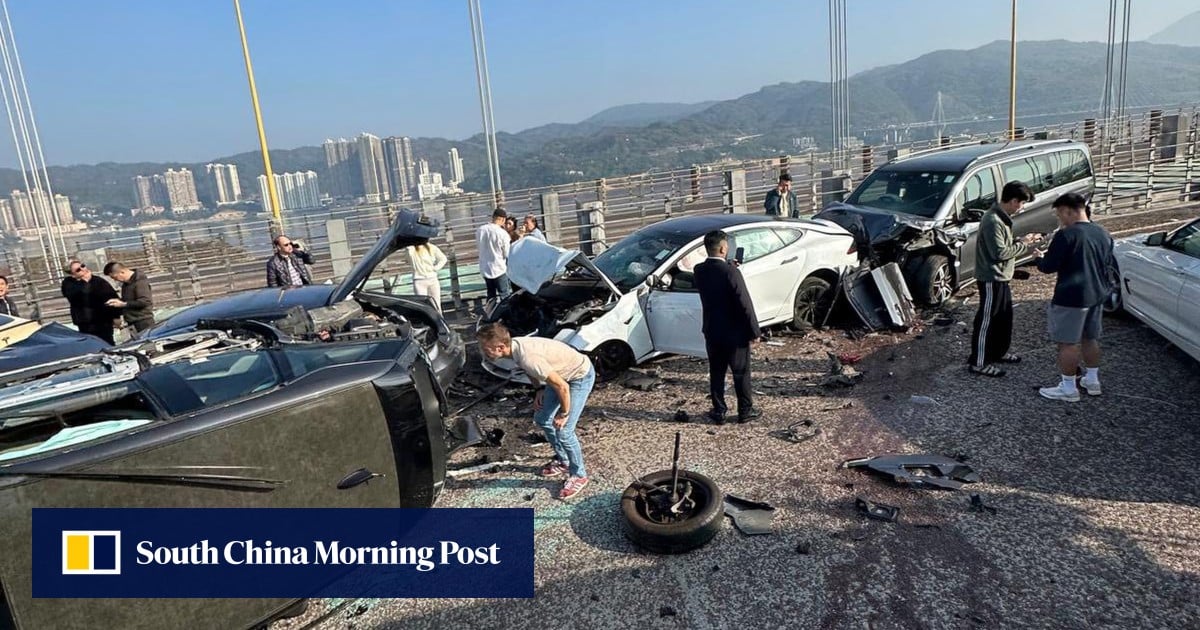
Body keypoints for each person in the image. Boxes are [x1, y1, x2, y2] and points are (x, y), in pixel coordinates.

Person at [477, 322, 595, 500]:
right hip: (559, 376)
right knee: (542, 418)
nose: (483, 352)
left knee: (564, 431)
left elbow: (562, 387)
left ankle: (579, 475)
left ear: (500, 347)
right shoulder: (515, 348)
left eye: (486, 348)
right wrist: (538, 389)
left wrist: (564, 414)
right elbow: (530, 370)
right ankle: (563, 460)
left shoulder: (528, 357)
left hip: (579, 377)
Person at [1032, 192, 1117, 402]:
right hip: (1097, 294)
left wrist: (1039, 259)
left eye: (1059, 214)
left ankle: (1069, 388)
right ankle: (1092, 380)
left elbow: (1049, 266)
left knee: (1067, 343)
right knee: (1090, 338)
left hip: (1071, 296)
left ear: (1067, 211)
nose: (1059, 219)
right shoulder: (1102, 233)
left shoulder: (1066, 235)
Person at [968, 181, 1040, 377]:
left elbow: (1004, 246)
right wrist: (1024, 245)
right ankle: (978, 362)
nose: (1022, 208)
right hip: (992, 277)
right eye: (1022, 203)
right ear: (1014, 201)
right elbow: (1000, 252)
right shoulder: (993, 221)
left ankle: (999, 352)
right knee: (987, 320)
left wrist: (1020, 242)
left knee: (1003, 318)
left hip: (1002, 276)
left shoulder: (1002, 218)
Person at [694, 230, 761, 424]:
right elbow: (744, 303)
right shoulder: (732, 272)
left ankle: (719, 410)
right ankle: (745, 411)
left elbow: (715, 276)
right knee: (740, 373)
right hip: (735, 333)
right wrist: (754, 331)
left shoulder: (699, 271)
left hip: (712, 331)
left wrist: (729, 266)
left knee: (717, 372)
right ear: (723, 248)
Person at [61, 260, 119, 345]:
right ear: (73, 275)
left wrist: (116, 316)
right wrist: (86, 282)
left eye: (83, 266)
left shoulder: (98, 280)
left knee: (108, 342)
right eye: (78, 270)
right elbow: (78, 298)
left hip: (104, 320)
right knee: (93, 345)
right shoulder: (69, 284)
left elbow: (111, 296)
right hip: (86, 322)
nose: (83, 269)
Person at [103, 261, 155, 334]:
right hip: (132, 322)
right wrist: (118, 301)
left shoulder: (140, 281)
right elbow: (129, 300)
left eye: (115, 277)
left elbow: (145, 301)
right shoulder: (126, 284)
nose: (115, 280)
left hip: (143, 321)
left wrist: (123, 304)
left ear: (122, 272)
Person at [477, 208, 512, 300]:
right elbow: (507, 253)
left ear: (493, 217)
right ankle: (506, 314)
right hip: (499, 268)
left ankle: (491, 312)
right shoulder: (502, 233)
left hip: (485, 268)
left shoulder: (480, 230)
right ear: (503, 220)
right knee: (505, 295)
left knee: (491, 295)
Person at [406, 242, 448, 314]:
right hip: (419, 280)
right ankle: (429, 322)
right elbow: (409, 258)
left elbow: (443, 258)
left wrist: (435, 268)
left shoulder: (431, 247)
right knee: (423, 305)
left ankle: (439, 321)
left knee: (436, 303)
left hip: (432, 278)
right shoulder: (410, 249)